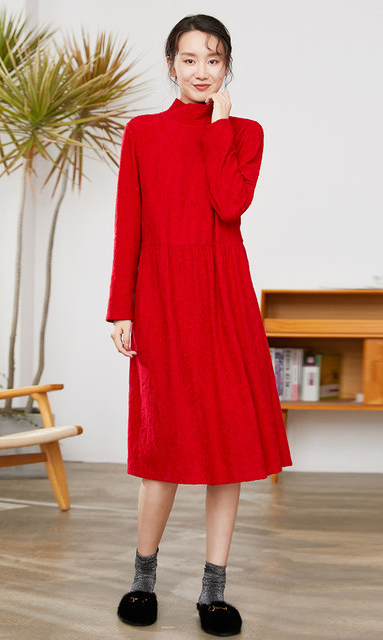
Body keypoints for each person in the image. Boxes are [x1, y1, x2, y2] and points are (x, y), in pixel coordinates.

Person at [106, 14, 292, 637]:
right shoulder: (142, 132)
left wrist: (218, 129)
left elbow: (229, 205)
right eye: (190, 60)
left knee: (227, 447)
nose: (202, 71)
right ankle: (143, 580)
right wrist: (122, 307)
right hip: (161, 296)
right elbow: (128, 223)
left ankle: (214, 592)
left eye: (213, 60)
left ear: (227, 65)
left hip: (223, 294)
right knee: (162, 445)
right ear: (171, 66)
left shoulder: (245, 132)